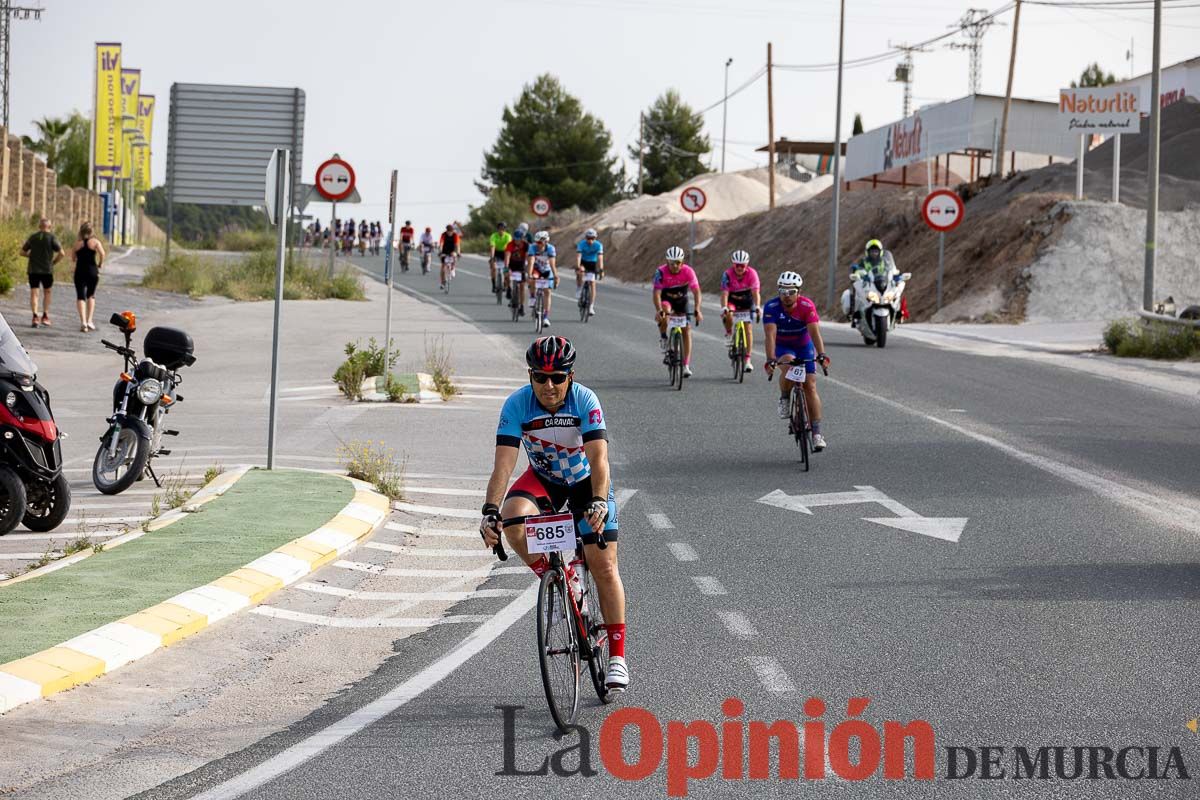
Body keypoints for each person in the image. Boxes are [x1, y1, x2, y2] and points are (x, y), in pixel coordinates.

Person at [479, 336, 629, 692]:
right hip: (545, 480)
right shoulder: (517, 404)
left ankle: (618, 657)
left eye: (557, 378)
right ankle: (559, 579)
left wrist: (597, 501)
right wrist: (489, 511)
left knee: (604, 563)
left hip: (584, 482)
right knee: (514, 519)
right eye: (540, 377)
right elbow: (503, 467)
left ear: (570, 377)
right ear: (530, 376)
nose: (548, 385)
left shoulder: (585, 400)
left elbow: (599, 460)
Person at [763, 271, 830, 451]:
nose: (787, 296)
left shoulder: (807, 306)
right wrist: (770, 359)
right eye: (783, 291)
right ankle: (785, 397)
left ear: (798, 292)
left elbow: (815, 333)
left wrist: (822, 354)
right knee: (789, 366)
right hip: (783, 347)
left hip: (803, 345)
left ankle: (816, 433)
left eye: (791, 291)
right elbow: (770, 335)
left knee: (810, 385)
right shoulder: (771, 307)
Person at [652, 246, 702, 378]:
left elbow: (696, 291)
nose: (675, 266)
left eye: (678, 262)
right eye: (671, 263)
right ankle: (664, 336)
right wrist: (659, 310)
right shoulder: (661, 272)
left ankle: (686, 365)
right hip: (666, 300)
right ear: (667, 262)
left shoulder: (688, 271)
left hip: (682, 301)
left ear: (682, 261)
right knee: (665, 312)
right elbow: (656, 294)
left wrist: (697, 308)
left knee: (687, 330)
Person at [847, 238, 906, 326]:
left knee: (896, 290)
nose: (874, 253)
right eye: (872, 251)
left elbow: (891, 269)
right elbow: (858, 270)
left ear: (880, 252)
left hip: (882, 283)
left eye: (876, 251)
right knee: (856, 289)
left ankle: (898, 312)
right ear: (868, 252)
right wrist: (859, 275)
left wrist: (897, 274)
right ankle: (855, 314)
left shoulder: (885, 261)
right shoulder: (864, 262)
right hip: (868, 284)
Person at [720, 249, 762, 372]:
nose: (739, 268)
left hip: (747, 301)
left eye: (742, 265)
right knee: (729, 315)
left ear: (746, 265)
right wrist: (724, 308)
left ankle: (748, 359)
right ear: (733, 265)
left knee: (748, 328)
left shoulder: (752, 274)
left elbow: (755, 293)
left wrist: (758, 306)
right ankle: (728, 333)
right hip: (732, 301)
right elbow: (724, 293)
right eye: (737, 265)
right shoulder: (727, 274)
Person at [21, 217, 63, 328]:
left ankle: (35, 316)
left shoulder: (33, 237)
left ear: (39, 226)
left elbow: (22, 251)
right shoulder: (52, 237)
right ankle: (45, 315)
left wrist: (31, 255)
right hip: (47, 270)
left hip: (33, 270)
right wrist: (53, 262)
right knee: (47, 292)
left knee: (34, 293)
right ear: (49, 226)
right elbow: (62, 253)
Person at [70, 222, 105, 332]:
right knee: (91, 295)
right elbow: (102, 254)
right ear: (91, 231)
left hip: (80, 271)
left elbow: (73, 258)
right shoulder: (95, 242)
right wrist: (100, 264)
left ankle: (83, 322)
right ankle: (90, 321)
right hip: (92, 271)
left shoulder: (77, 244)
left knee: (80, 296)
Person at [528, 230, 558, 326]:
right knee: (533, 278)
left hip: (546, 270)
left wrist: (556, 276)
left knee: (547, 292)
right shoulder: (532, 248)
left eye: (540, 242)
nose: (538, 244)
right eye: (537, 242)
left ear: (546, 241)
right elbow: (531, 262)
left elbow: (553, 264)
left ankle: (545, 317)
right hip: (536, 269)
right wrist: (529, 274)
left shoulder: (550, 248)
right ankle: (532, 296)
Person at [575, 228, 604, 316]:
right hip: (583, 262)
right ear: (585, 238)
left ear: (595, 238)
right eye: (588, 238)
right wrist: (578, 266)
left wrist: (601, 269)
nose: (590, 240)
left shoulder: (598, 245)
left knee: (592, 283)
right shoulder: (581, 244)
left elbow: (600, 258)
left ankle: (591, 306)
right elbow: (578, 256)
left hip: (592, 263)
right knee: (581, 272)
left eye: (592, 238)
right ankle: (579, 288)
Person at [505, 224, 531, 316]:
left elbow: (528, 257)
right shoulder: (510, 244)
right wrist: (506, 267)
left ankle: (522, 306)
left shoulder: (526, 245)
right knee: (506, 275)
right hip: (512, 264)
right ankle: (508, 288)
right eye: (515, 239)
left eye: (518, 239)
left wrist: (528, 268)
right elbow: (507, 256)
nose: (517, 241)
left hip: (521, 265)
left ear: (522, 238)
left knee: (522, 287)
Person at [488, 221, 513, 297]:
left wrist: (507, 260)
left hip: (505, 252)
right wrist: (492, 257)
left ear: (505, 229)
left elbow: (509, 248)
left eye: (503, 229)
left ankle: (507, 284)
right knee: (493, 268)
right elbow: (492, 247)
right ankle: (494, 285)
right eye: (500, 229)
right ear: (497, 229)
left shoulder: (508, 236)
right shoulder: (494, 236)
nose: (501, 230)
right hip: (496, 252)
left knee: (507, 269)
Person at [438, 224, 460, 290]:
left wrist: (458, 252)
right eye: (448, 231)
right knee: (442, 268)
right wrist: (440, 252)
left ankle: (453, 268)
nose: (450, 232)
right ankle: (442, 283)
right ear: (446, 231)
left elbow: (457, 245)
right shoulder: (443, 235)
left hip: (452, 249)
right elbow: (441, 244)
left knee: (454, 256)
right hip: (445, 250)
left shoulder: (455, 235)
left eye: (451, 231)